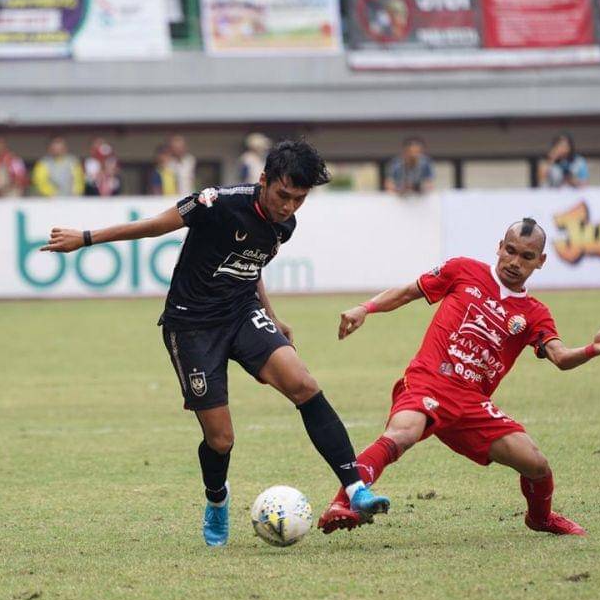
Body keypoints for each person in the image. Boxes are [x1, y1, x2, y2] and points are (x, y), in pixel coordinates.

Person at [42, 140, 391, 547]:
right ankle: (217, 500)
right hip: (191, 325)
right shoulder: (216, 203)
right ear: (263, 180)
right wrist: (84, 238)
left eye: (299, 199)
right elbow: (155, 225)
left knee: (304, 385)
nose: (289, 207)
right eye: (283, 195)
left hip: (241, 312)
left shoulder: (285, 225)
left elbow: (251, 265)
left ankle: (355, 488)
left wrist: (273, 317)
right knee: (221, 439)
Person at [317, 218, 600, 537]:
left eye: (527, 257)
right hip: (429, 381)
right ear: (499, 247)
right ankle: (343, 502)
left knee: (536, 464)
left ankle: (541, 518)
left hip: (472, 404)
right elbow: (409, 292)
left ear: (541, 261)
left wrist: (592, 348)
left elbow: (560, 357)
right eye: (510, 251)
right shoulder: (463, 270)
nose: (515, 262)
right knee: (402, 434)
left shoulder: (535, 313)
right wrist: (365, 308)